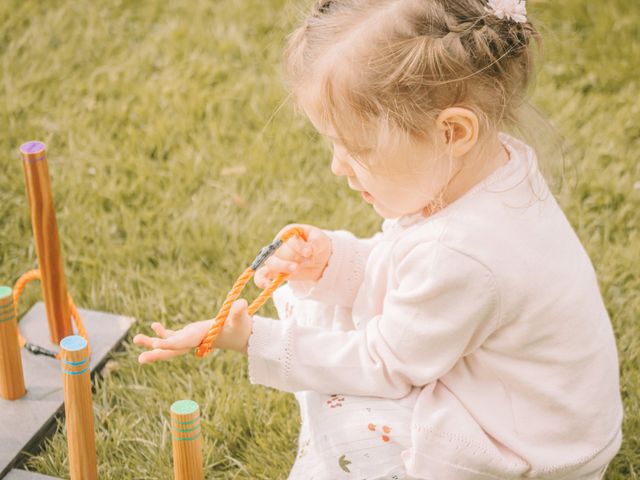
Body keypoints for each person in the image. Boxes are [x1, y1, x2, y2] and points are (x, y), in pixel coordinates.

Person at [134, 0, 623, 478]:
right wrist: (334, 264)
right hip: (540, 412)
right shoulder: (493, 170)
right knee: (336, 335)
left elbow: (383, 363)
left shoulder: (461, 253)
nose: (337, 167)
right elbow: (413, 276)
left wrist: (253, 339)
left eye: (356, 149)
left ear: (452, 132)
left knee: (349, 407)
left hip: (528, 449)